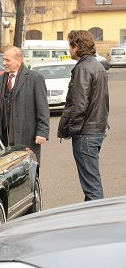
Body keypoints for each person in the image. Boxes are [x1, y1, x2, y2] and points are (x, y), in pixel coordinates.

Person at [58, 30, 109, 201]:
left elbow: (79, 104)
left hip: (86, 133)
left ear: (77, 46)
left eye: (70, 45)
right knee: (91, 180)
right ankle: (92, 218)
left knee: (91, 186)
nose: (69, 49)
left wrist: (73, 129)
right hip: (97, 129)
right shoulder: (97, 66)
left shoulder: (83, 68)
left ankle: (96, 223)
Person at [0, 46, 50, 164]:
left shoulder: (35, 78)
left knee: (28, 170)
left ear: (19, 61)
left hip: (27, 136)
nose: (4, 63)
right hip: (3, 138)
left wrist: (42, 132)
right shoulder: (1, 80)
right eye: (3, 59)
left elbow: (42, 108)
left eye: (7, 60)